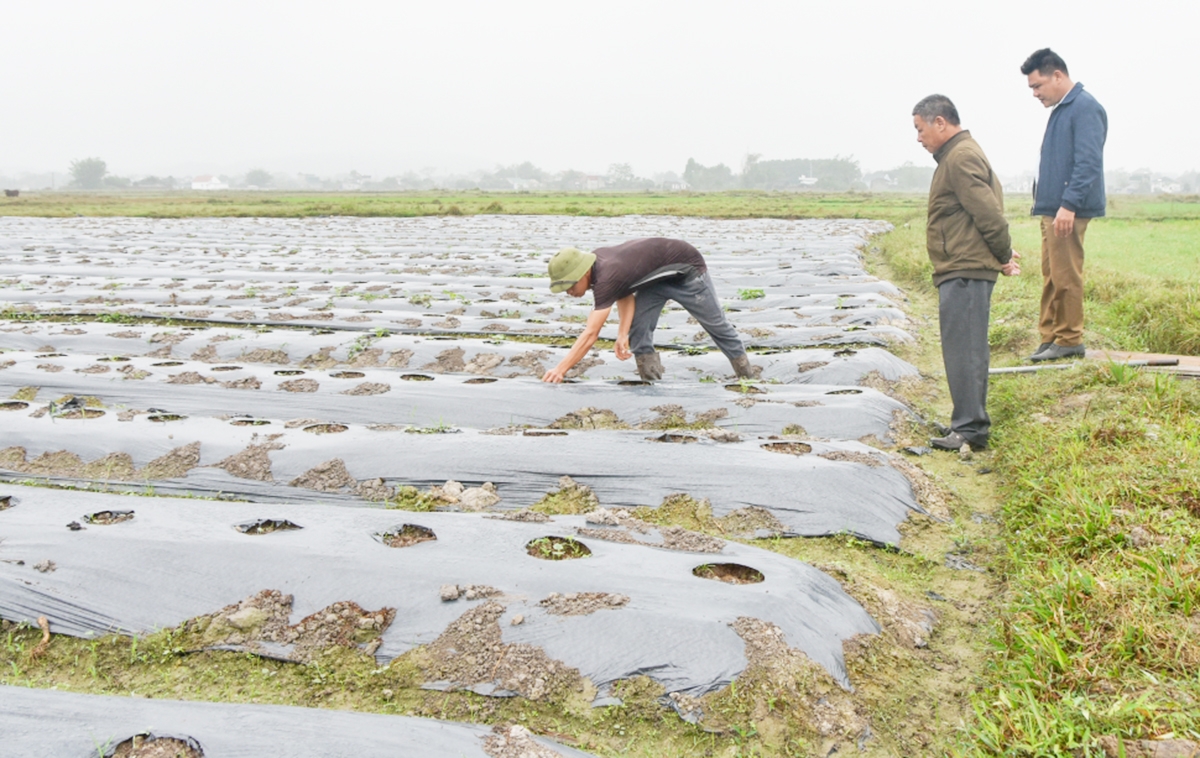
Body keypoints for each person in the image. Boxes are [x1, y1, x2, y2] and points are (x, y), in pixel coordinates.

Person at [913, 94, 1021, 451]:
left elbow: (988, 214)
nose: (919, 137)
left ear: (940, 122)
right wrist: (1001, 253)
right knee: (962, 347)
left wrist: (1004, 254)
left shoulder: (959, 157)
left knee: (966, 350)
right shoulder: (957, 155)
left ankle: (971, 429)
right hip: (961, 265)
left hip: (965, 268)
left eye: (920, 128)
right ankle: (965, 421)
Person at [540, 238, 755, 383]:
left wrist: (560, 369)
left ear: (583, 272)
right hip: (656, 281)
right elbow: (623, 292)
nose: (569, 292)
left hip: (687, 272)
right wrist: (622, 334)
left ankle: (748, 378)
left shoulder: (606, 276)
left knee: (717, 326)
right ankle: (651, 384)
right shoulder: (601, 269)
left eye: (569, 286)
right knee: (638, 332)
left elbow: (591, 334)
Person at [1021, 48, 1107, 362]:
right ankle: (1050, 337)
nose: (1035, 93)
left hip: (1067, 211)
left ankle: (1069, 338)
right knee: (1052, 275)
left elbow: (1088, 162)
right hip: (1052, 208)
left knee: (1066, 276)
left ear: (1058, 75)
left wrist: (1068, 205)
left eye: (1037, 86)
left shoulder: (1084, 107)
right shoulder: (1062, 108)